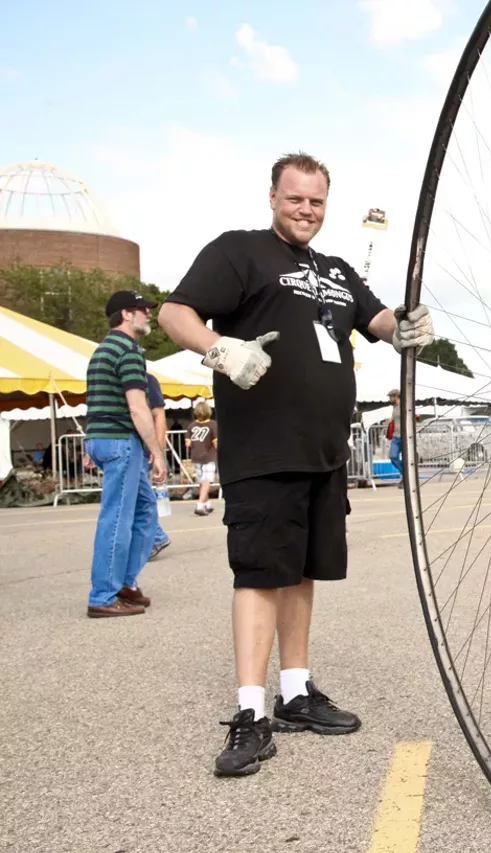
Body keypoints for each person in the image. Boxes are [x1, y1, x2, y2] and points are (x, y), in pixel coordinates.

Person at [157, 152, 435, 777]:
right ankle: (251, 712)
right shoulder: (240, 251)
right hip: (264, 447)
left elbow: (376, 317)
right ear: (273, 198)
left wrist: (404, 325)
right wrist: (220, 348)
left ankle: (296, 692)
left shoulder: (335, 269)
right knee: (260, 573)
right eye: (294, 198)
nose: (305, 209)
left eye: (316, 201)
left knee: (302, 571)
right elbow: (177, 313)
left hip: (323, 449)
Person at [84, 291, 168, 618]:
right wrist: (157, 452)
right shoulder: (129, 349)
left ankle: (124, 582)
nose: (147, 315)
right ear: (125, 315)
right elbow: (137, 407)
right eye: (141, 310)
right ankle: (103, 595)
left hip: (103, 437)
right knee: (118, 517)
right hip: (121, 440)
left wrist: (92, 443)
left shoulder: (103, 349)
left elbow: (99, 399)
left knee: (146, 508)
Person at [145, 373, 172, 560]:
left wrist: (158, 453)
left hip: (145, 448)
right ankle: (155, 536)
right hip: (138, 447)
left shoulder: (148, 380)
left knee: (141, 497)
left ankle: (156, 536)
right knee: (141, 496)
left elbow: (159, 415)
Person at [186, 399, 218, 516]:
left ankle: (207, 503)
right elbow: (216, 443)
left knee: (201, 481)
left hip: (195, 456)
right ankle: (200, 505)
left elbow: (187, 443)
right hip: (208, 456)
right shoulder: (213, 424)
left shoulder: (191, 426)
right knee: (207, 480)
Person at [386, 389, 405, 486]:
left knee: (406, 458)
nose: (390, 399)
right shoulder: (394, 407)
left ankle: (405, 477)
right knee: (393, 456)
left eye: (391, 397)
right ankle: (405, 474)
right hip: (396, 436)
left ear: (396, 396)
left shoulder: (404, 406)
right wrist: (390, 420)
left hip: (404, 436)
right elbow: (395, 419)